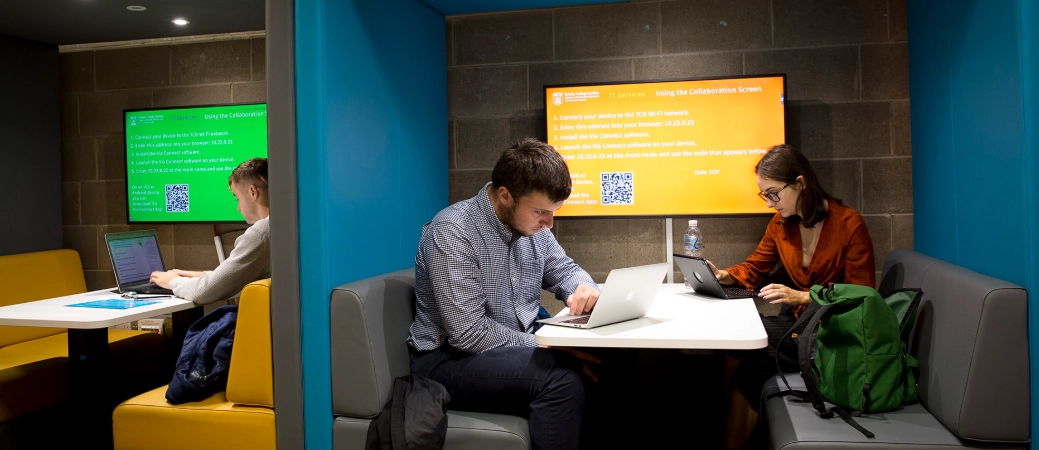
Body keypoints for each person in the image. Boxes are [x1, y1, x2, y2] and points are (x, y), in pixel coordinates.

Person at [407, 138, 603, 450]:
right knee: (561, 378)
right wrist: (546, 344)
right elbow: (469, 334)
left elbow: (565, 270)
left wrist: (585, 290)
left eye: (554, 211)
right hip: (447, 359)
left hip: (511, 347)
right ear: (505, 195)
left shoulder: (534, 229)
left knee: (610, 360)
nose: (549, 223)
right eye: (540, 211)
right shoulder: (452, 232)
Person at [708, 144, 876, 449]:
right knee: (751, 366)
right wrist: (725, 275)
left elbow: (862, 297)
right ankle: (725, 425)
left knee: (749, 342)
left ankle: (721, 423)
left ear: (800, 183)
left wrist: (803, 297)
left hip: (833, 333)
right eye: (764, 195)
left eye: (773, 193)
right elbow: (755, 266)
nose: (770, 202)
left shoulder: (849, 225)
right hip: (800, 325)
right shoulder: (781, 224)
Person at [149, 157, 271, 305]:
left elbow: (203, 293)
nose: (238, 208)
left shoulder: (261, 234)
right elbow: (244, 276)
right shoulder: (287, 226)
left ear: (252, 192)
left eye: (237, 198)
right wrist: (204, 276)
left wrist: (172, 281)